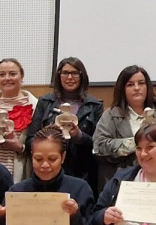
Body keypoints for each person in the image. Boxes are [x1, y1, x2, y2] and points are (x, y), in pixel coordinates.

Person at [25, 57, 103, 191]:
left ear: (82, 76)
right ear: (59, 76)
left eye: (75, 73)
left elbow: (98, 147)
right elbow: (30, 140)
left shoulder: (95, 105)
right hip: (47, 170)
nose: (70, 77)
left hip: (82, 173)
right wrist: (49, 137)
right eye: (65, 73)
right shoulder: (45, 102)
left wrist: (79, 136)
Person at [93, 65, 156, 190]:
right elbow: (99, 146)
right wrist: (136, 143)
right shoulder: (111, 115)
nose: (137, 88)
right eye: (130, 85)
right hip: (121, 181)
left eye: (141, 83)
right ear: (123, 89)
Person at [0, 58, 38, 183]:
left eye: (12, 74)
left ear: (22, 77)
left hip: (22, 173)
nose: (7, 78)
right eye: (2, 74)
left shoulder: (36, 106)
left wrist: (19, 147)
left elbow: (41, 144)